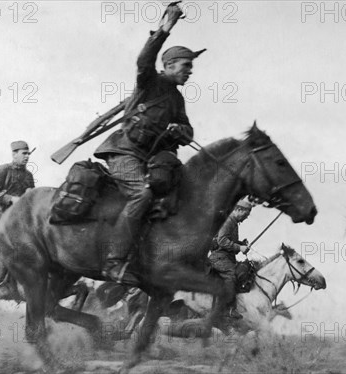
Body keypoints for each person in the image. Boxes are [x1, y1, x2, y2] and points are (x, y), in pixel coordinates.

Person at [94, 3, 204, 285]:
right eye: (186, 65)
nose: (190, 71)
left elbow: (188, 131)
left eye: (191, 66)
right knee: (142, 195)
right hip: (124, 152)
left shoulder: (177, 99)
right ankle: (114, 263)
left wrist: (181, 130)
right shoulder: (149, 82)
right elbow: (144, 59)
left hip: (148, 159)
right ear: (169, 66)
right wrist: (166, 28)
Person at [0, 140, 35, 299]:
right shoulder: (3, 170)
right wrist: (11, 199)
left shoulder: (29, 176)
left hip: (19, 217)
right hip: (0, 214)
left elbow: (31, 198)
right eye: (24, 153)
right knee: (2, 243)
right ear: (14, 154)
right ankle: (3, 286)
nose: (27, 156)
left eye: (28, 153)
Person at [209, 200, 253, 319]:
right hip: (219, 257)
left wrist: (240, 243)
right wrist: (239, 247)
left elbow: (227, 240)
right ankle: (228, 309)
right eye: (246, 214)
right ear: (238, 210)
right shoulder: (228, 221)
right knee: (231, 274)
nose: (246, 217)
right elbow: (222, 241)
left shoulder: (233, 223)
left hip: (226, 257)